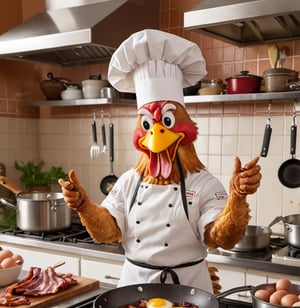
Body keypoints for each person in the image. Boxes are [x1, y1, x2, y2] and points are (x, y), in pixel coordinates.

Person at [59, 29, 261, 293]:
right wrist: (84, 206)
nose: (156, 133)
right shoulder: (129, 182)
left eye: (166, 121)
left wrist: (237, 197)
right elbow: (107, 232)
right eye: (147, 124)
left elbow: (221, 238)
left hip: (190, 293)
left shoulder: (203, 183)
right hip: (134, 291)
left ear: (185, 127)